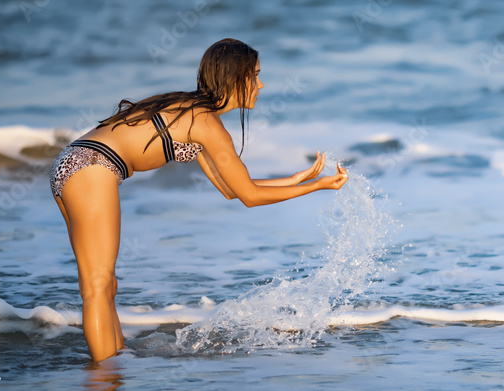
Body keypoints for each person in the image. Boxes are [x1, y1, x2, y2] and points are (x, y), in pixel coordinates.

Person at [50, 38, 347, 362]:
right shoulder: (206, 123)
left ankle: (113, 365)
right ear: (236, 79)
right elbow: (249, 196)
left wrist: (296, 178)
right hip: (94, 165)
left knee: (103, 286)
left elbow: (231, 188)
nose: (261, 84)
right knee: (98, 285)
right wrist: (317, 187)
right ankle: (103, 387)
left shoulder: (196, 113)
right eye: (255, 75)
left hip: (76, 161)